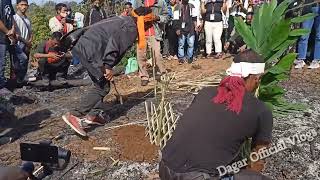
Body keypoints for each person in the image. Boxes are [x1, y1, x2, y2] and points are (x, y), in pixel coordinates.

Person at [159, 50, 273, 180]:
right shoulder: (261, 110)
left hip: (165, 167)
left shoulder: (205, 93)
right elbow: (258, 158)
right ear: (256, 79)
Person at [61, 7, 159, 137]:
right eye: (150, 24)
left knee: (103, 83)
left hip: (87, 47)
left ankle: (93, 116)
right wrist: (107, 66)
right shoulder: (131, 28)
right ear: (145, 22)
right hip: (92, 52)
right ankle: (75, 114)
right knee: (102, 87)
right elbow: (115, 45)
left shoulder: (125, 19)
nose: (149, 28)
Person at [136, 0, 169, 86]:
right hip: (142, 33)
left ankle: (163, 73)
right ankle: (144, 76)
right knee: (140, 56)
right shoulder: (139, 2)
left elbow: (166, 17)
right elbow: (134, 16)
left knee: (157, 55)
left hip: (155, 33)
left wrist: (157, 17)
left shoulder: (160, 2)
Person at [295, 1, 320, 69]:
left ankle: (316, 60)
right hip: (309, 8)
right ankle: (301, 59)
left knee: (319, 37)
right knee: (304, 35)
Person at [13, 0, 32, 84]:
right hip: (18, 43)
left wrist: (30, 41)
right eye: (22, 4)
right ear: (17, 6)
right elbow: (15, 34)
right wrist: (25, 41)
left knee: (25, 61)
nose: (24, 7)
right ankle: (17, 80)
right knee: (20, 60)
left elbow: (30, 32)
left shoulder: (27, 19)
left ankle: (22, 80)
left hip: (26, 43)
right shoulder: (14, 17)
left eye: (25, 5)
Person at [0, 0, 15, 90]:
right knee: (1, 62)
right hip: (1, 38)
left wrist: (12, 29)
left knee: (7, 62)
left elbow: (12, 17)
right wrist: (7, 32)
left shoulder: (8, 1)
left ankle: (10, 82)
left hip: (8, 38)